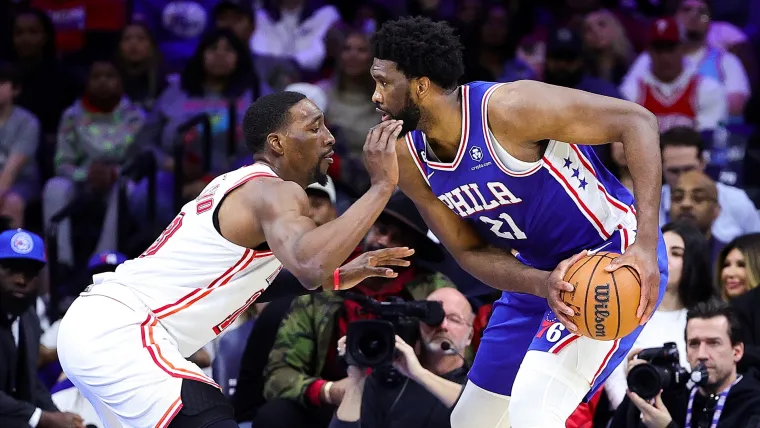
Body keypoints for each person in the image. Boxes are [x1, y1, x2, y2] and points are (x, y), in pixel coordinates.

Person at [369, 16, 669, 427]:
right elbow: (468, 250)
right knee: (472, 422)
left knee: (533, 413)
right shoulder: (407, 158)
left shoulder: (510, 109)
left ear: (420, 86)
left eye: (384, 82)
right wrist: (539, 284)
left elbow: (638, 122)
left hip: (609, 259)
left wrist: (646, 246)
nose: (375, 95)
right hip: (535, 277)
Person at [55, 91, 415, 428]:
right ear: (277, 143)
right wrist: (381, 186)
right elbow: (309, 267)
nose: (329, 137)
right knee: (206, 407)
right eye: (314, 127)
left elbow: (248, 283)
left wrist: (338, 276)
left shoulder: (238, 185)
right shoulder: (274, 191)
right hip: (124, 328)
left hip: (104, 326)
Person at [0, 228, 85, 428]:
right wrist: (43, 418)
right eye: (11, 269)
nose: (21, 280)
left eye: (30, 272)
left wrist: (59, 417)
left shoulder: (28, 317)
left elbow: (30, 381)